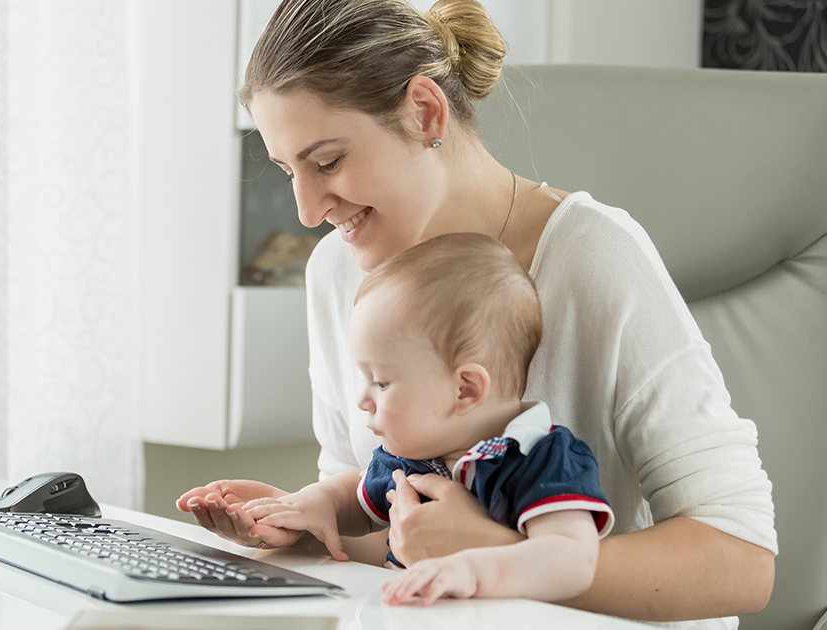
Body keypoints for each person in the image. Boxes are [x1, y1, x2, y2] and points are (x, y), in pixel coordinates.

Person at [177, 0, 777, 626]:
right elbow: (387, 530)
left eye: (327, 162)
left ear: (425, 111)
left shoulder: (591, 254)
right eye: (287, 170)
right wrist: (302, 524)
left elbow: (741, 561)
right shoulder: (336, 270)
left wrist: (495, 553)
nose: (304, 211)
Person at [242, 232, 615, 605]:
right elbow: (356, 500)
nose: (362, 399)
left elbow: (574, 560)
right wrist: (309, 505)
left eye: (382, 381)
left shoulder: (541, 457)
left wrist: (471, 570)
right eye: (364, 378)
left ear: (465, 390)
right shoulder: (416, 452)